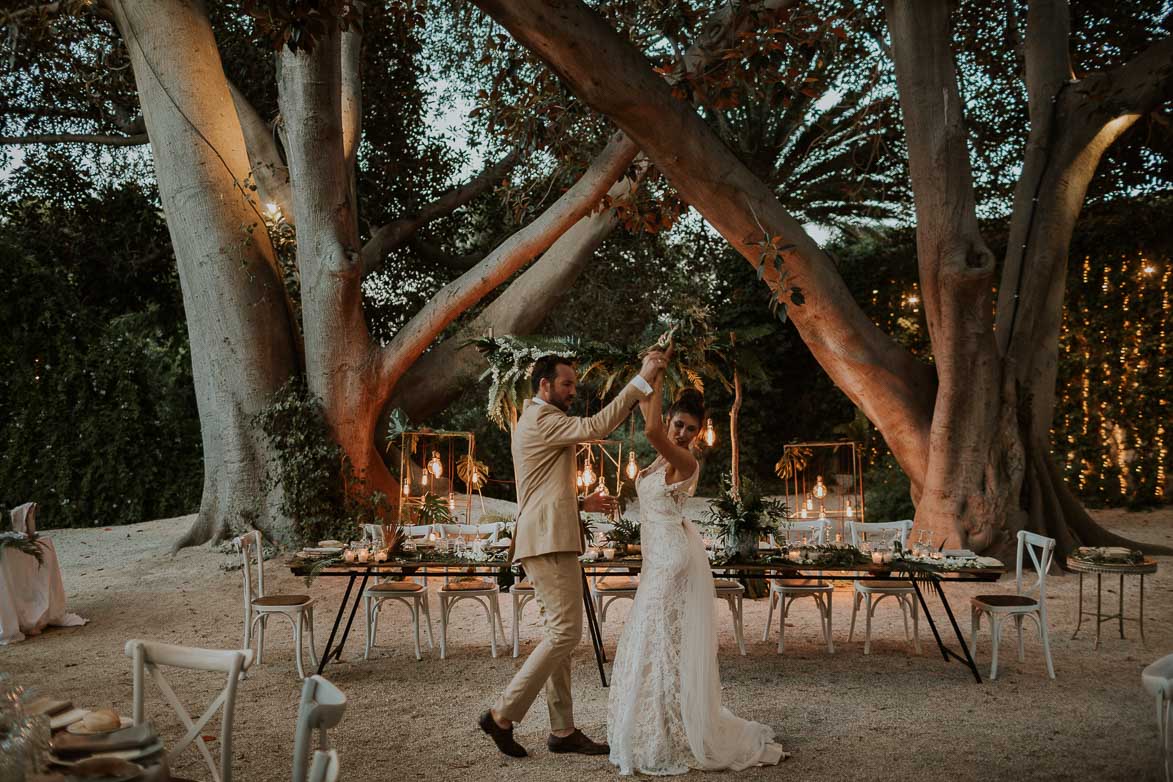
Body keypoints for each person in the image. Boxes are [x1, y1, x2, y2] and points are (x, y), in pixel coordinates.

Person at [479, 349, 668, 758]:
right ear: (544, 384)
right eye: (566, 384)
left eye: (573, 385)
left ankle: (562, 731)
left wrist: (581, 504)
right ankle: (502, 714)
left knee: (557, 634)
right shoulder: (543, 417)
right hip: (548, 540)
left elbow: (539, 486)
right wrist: (641, 380)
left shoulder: (535, 420)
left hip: (547, 533)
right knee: (566, 632)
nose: (571, 391)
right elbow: (597, 426)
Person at [607, 382, 787, 776]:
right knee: (656, 642)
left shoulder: (684, 461)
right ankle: (660, 725)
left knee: (663, 643)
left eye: (691, 429)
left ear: (698, 433)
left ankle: (672, 728)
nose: (683, 434)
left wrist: (653, 373)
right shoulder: (660, 455)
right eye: (679, 425)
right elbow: (646, 413)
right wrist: (651, 374)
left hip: (672, 561)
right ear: (671, 418)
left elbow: (652, 427)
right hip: (657, 559)